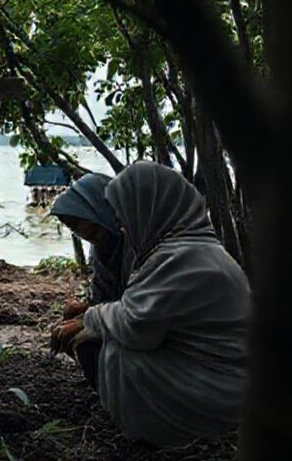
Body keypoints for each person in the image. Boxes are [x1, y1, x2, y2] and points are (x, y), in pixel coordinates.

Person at [51, 162, 250, 447]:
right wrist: (89, 313)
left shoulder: (172, 256)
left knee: (93, 345)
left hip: (217, 384)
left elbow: (139, 324)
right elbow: (120, 301)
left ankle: (153, 421)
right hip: (212, 364)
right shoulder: (177, 248)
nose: (122, 224)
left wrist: (91, 321)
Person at [49, 172, 127, 309]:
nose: (79, 231)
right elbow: (104, 296)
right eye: (72, 227)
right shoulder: (101, 248)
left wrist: (88, 319)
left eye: (78, 222)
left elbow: (142, 308)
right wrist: (86, 308)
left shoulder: (141, 247)